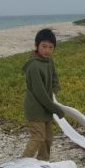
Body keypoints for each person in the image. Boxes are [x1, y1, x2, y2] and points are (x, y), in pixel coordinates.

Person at [21, 28, 61, 161]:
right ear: (36, 46)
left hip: (46, 107)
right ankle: (21, 164)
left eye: (51, 47)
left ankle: (43, 161)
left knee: (48, 138)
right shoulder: (34, 66)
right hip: (35, 108)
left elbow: (54, 77)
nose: (47, 50)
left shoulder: (49, 61)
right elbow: (40, 93)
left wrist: (54, 92)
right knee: (38, 137)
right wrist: (55, 108)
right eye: (44, 46)